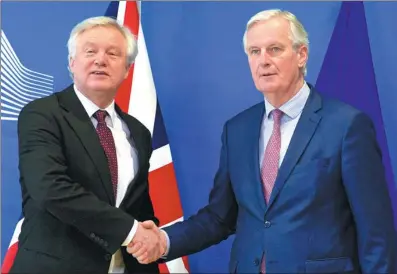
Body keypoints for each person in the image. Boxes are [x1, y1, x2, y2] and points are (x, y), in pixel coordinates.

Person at [128, 9, 397, 273]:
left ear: (301, 54)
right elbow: (220, 217)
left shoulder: (346, 125)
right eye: (254, 52)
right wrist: (164, 240)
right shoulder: (237, 129)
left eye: (275, 49)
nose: (263, 60)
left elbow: (375, 231)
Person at [10, 16, 166, 274]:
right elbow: (49, 188)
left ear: (127, 69)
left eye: (113, 53)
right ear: (72, 63)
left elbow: (136, 206)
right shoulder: (42, 114)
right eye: (90, 51)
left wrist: (151, 237)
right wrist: (132, 231)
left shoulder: (137, 132)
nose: (100, 60)